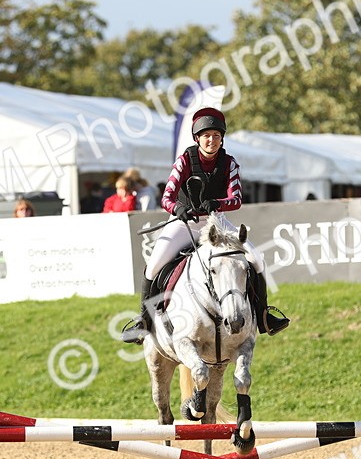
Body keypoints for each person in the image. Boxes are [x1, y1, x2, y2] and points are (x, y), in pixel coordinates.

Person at [120, 107, 289, 344]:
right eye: (206, 136)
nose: (212, 140)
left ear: (222, 138)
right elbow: (166, 197)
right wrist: (178, 209)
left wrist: (216, 203)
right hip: (184, 222)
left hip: (215, 222)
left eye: (216, 136)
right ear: (197, 138)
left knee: (256, 258)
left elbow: (237, 199)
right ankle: (144, 322)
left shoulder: (229, 163)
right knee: (153, 266)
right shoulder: (185, 160)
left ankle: (263, 316)